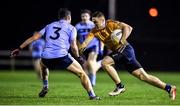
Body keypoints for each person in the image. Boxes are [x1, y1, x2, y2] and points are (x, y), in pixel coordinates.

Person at [79, 11, 176, 100]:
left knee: (105, 63)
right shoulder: (94, 31)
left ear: (102, 20)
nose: (94, 24)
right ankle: (169, 88)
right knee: (143, 76)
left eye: (95, 22)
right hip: (120, 52)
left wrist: (123, 39)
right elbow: (86, 42)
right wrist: (81, 47)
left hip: (125, 49)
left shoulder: (111, 23)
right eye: (93, 22)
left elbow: (128, 28)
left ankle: (120, 86)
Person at [10, 8, 101, 100]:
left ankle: (45, 85)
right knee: (82, 74)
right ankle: (92, 95)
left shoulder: (49, 26)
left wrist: (19, 48)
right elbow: (73, 46)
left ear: (59, 17)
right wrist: (78, 57)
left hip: (46, 57)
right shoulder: (72, 28)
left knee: (42, 65)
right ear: (69, 17)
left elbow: (34, 38)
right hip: (62, 56)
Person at [75, 9, 103, 86]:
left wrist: (102, 48)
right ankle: (101, 63)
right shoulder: (77, 26)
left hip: (94, 46)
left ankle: (92, 82)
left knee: (91, 62)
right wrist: (78, 47)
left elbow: (101, 37)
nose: (84, 17)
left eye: (86, 16)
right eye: (82, 16)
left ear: (89, 17)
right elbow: (76, 39)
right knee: (86, 66)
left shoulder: (94, 25)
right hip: (84, 48)